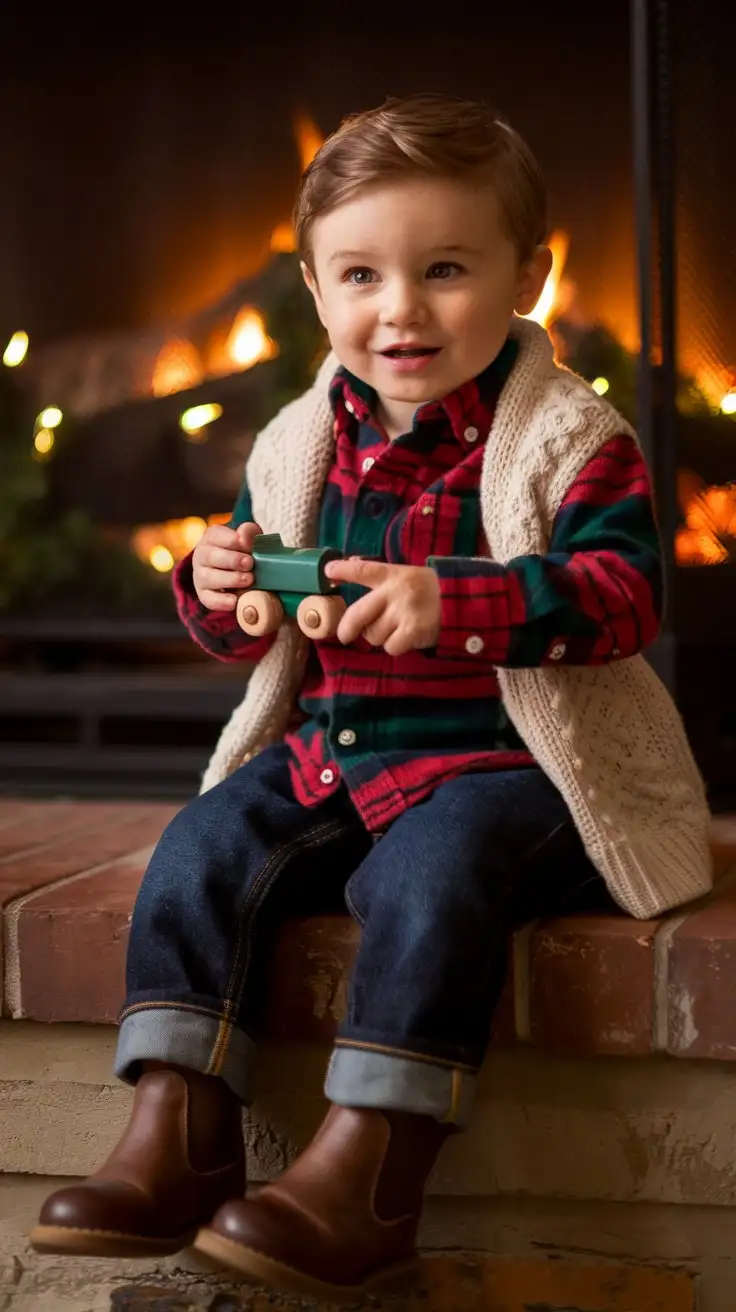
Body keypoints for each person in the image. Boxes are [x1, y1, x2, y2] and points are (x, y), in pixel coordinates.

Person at [31, 93, 712, 1301]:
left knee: (424, 874)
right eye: (362, 275)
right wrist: (217, 581)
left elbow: (624, 599)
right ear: (313, 288)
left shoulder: (569, 437)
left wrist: (463, 602)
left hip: (516, 768)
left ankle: (374, 1164)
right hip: (341, 754)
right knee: (199, 844)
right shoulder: (297, 440)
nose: (400, 309)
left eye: (445, 269)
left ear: (527, 277)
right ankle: (178, 1128)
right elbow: (241, 617)